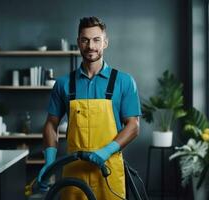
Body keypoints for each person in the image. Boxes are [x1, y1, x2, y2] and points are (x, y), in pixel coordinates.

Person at [37, 16, 141, 200]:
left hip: (108, 170)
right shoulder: (63, 84)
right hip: (74, 170)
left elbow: (133, 126)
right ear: (78, 42)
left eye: (96, 40)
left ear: (105, 43)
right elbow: (51, 124)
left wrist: (106, 152)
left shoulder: (123, 81)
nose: (90, 46)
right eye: (85, 40)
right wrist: (50, 163)